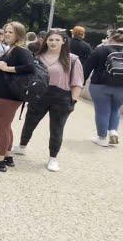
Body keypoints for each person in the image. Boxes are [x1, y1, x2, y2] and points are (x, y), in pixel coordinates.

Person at [13, 30, 84, 172]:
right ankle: (22, 145)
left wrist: (73, 102)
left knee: (57, 128)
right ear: (45, 41)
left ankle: (53, 158)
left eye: (57, 40)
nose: (53, 42)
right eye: (50, 39)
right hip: (40, 94)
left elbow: (77, 83)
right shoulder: (38, 57)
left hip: (61, 96)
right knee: (30, 121)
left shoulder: (73, 59)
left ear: (64, 41)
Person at [0, 21, 35, 172]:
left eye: (11, 32)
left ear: (19, 34)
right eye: (6, 31)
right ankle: (7, 155)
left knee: (2, 128)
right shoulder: (12, 49)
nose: (7, 34)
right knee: (6, 127)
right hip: (6, 95)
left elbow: (30, 67)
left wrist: (7, 68)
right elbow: (7, 69)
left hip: (8, 97)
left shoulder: (20, 50)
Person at [83, 27, 123, 147]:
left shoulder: (101, 50)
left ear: (111, 37)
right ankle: (113, 132)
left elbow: (87, 67)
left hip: (99, 85)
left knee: (102, 111)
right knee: (115, 109)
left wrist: (81, 82)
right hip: (121, 87)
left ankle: (102, 137)